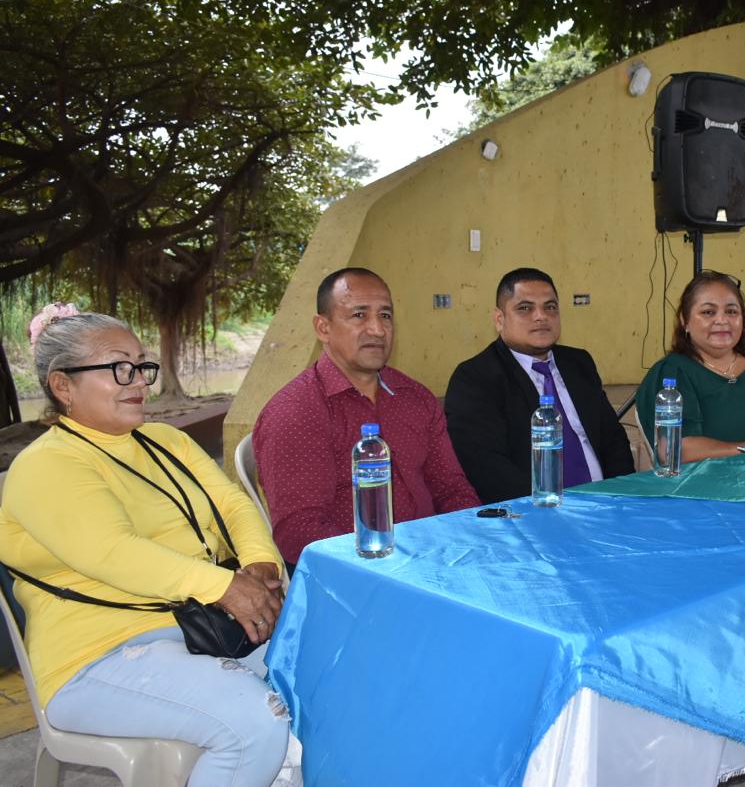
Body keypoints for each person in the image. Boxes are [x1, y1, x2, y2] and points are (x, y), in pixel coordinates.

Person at [0, 312, 291, 786]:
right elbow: (113, 551)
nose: (138, 381)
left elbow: (233, 504)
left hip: (202, 626)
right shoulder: (46, 465)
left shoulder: (166, 441)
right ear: (63, 385)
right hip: (98, 656)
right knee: (254, 723)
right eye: (119, 367)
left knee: (324, 678)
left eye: (141, 365)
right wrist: (225, 587)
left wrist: (260, 566)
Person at [253, 267, 480, 565]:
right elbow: (301, 532)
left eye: (385, 315)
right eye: (359, 315)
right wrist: (389, 562)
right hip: (357, 573)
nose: (377, 329)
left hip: (438, 557)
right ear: (323, 328)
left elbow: (452, 489)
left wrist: (470, 540)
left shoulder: (415, 397)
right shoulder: (297, 412)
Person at [445, 267, 635, 503]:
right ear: (499, 319)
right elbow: (487, 468)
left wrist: (621, 494)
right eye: (525, 308)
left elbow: (613, 440)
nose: (541, 316)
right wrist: (550, 510)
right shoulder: (475, 378)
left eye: (550, 307)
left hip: (608, 503)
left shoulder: (579, 363)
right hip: (535, 512)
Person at [637, 270, 745, 463]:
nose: (722, 320)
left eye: (731, 311)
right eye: (708, 312)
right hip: (711, 480)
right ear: (684, 320)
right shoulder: (673, 372)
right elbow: (675, 451)